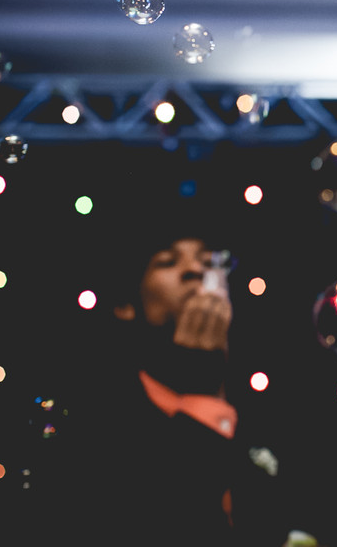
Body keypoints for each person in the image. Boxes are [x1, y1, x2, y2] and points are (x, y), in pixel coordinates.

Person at [56, 218, 303, 547]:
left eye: (208, 261)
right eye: (167, 261)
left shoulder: (266, 408)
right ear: (126, 305)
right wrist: (200, 395)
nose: (195, 270)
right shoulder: (100, 414)